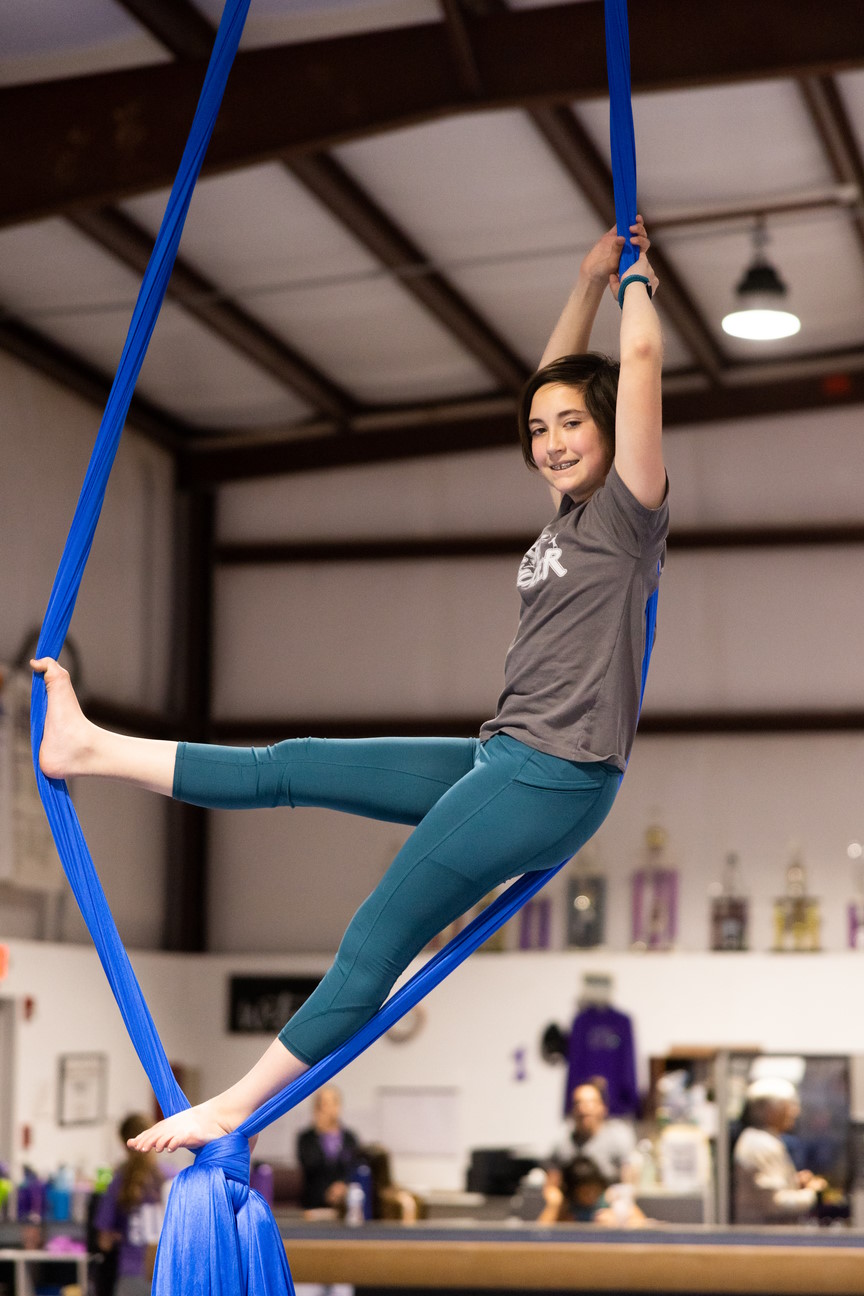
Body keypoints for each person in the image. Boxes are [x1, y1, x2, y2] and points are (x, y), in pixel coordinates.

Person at [32, 217, 666, 1156]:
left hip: (553, 773)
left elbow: (643, 355)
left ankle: (232, 1107)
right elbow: (550, 382)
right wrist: (580, 286)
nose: (551, 443)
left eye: (574, 424)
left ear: (615, 429)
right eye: (539, 431)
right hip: (505, 756)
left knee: (380, 927)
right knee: (295, 764)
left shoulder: (628, 515)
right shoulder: (570, 518)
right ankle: (88, 749)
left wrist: (636, 283)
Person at [733, 1078, 827, 1225]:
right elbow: (774, 1204)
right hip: (763, 1241)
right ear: (770, 1110)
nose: (795, 1112)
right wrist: (810, 1193)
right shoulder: (760, 1144)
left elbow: (768, 1191)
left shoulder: (764, 1140)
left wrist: (794, 1183)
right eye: (790, 1106)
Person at [93, 1113, 166, 1296]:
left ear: (124, 1143)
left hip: (131, 1275)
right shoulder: (170, 1176)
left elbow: (105, 1242)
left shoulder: (119, 1180)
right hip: (166, 1274)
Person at [551, 1080, 637, 1184]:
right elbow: (552, 1182)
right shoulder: (562, 1143)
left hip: (609, 1197)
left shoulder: (618, 1137)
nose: (583, 1109)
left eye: (590, 1102)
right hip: (572, 1198)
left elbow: (629, 1182)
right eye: (578, 1103)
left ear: (603, 1107)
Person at [296, 1085, 362, 1215]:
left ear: (338, 1106)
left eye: (330, 1103)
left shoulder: (350, 1138)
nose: (326, 1109)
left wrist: (342, 1187)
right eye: (321, 1105)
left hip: (345, 1205)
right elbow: (309, 1165)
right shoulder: (306, 1138)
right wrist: (319, 1132)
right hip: (314, 1203)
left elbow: (355, 1168)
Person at [538, 1156, 646, 1227]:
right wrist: (553, 1205)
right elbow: (539, 1235)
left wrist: (618, 1221)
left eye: (594, 1190)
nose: (591, 1195)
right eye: (585, 1193)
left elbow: (642, 1224)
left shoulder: (611, 1198)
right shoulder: (564, 1206)